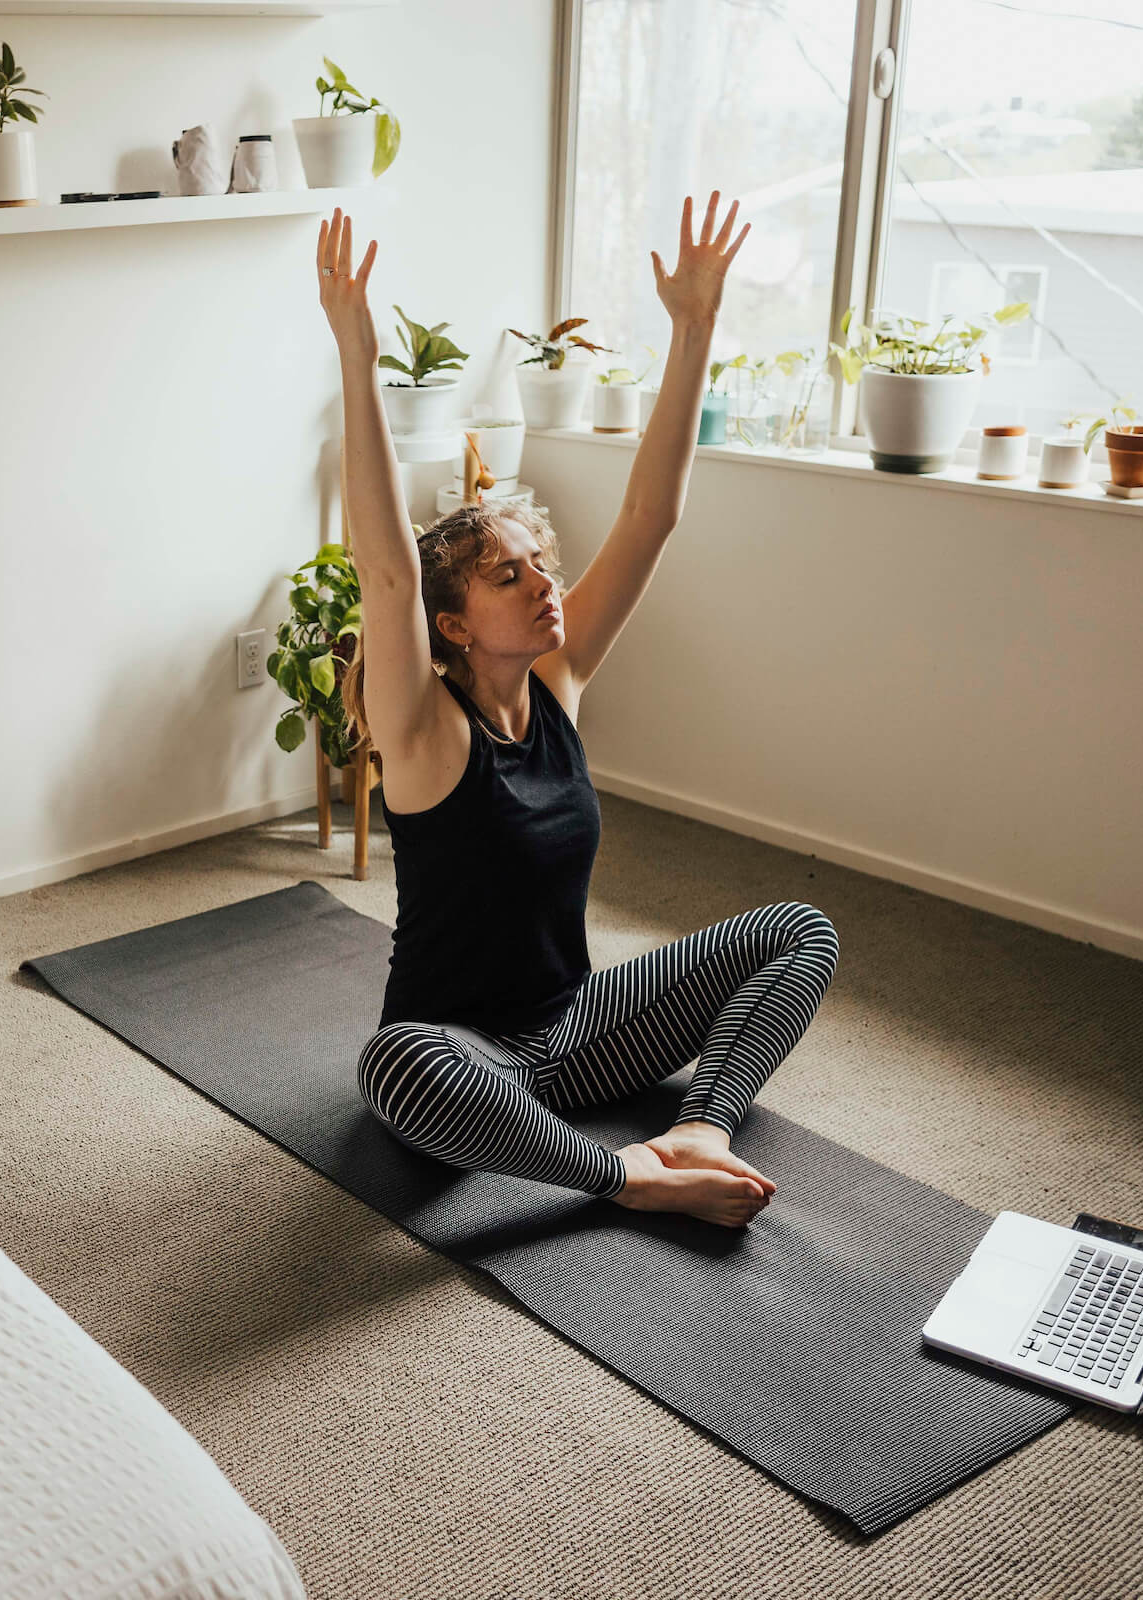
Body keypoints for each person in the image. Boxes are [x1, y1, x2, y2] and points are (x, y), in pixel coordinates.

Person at [316, 196, 839, 1229]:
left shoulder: (558, 681)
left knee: (800, 931)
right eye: (510, 577)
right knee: (396, 1065)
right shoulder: (424, 732)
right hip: (460, 1055)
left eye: (541, 563)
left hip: (577, 1033)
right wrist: (357, 355)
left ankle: (700, 1131)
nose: (544, 585)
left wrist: (692, 328)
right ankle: (630, 1178)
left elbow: (653, 514)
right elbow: (384, 570)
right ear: (454, 626)